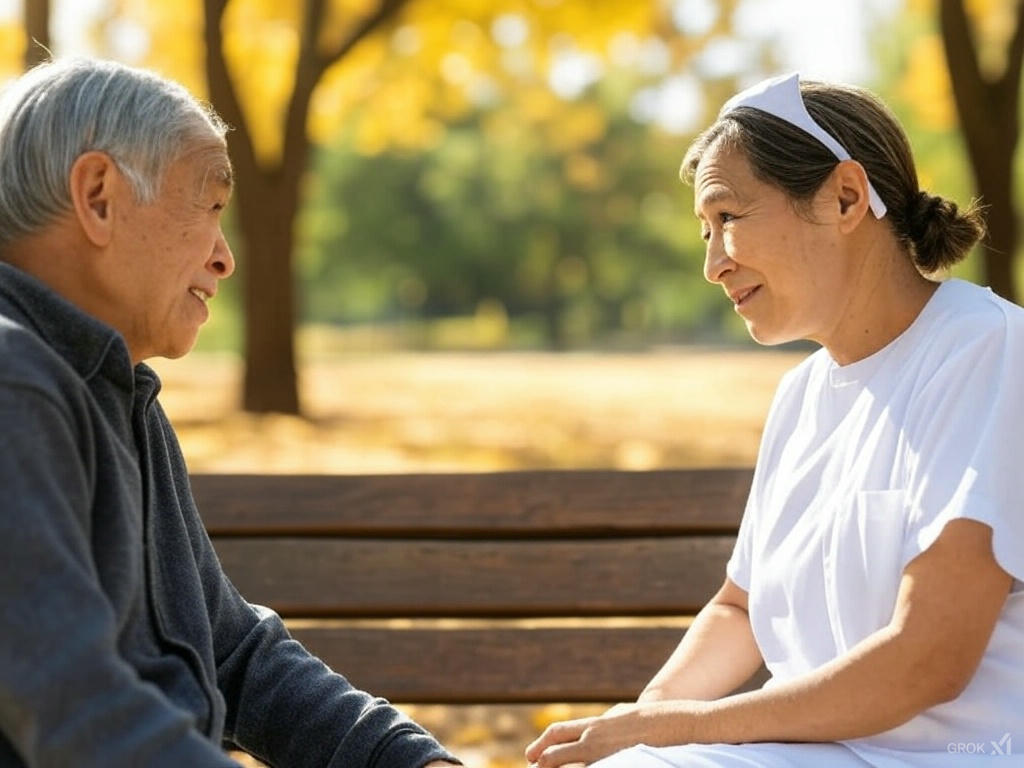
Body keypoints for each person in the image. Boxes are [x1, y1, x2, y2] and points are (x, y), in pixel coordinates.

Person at [526, 72, 1024, 767]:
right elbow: (739, 610)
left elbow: (927, 660)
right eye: (705, 230)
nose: (711, 264)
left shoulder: (989, 350)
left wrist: (677, 731)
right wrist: (637, 724)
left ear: (845, 197)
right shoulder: (801, 397)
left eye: (727, 218)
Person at [0, 57, 460, 768]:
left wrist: (410, 762)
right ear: (98, 196)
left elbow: (234, 657)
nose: (225, 258)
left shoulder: (116, 391)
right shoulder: (14, 384)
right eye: (210, 206)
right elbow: (77, 717)